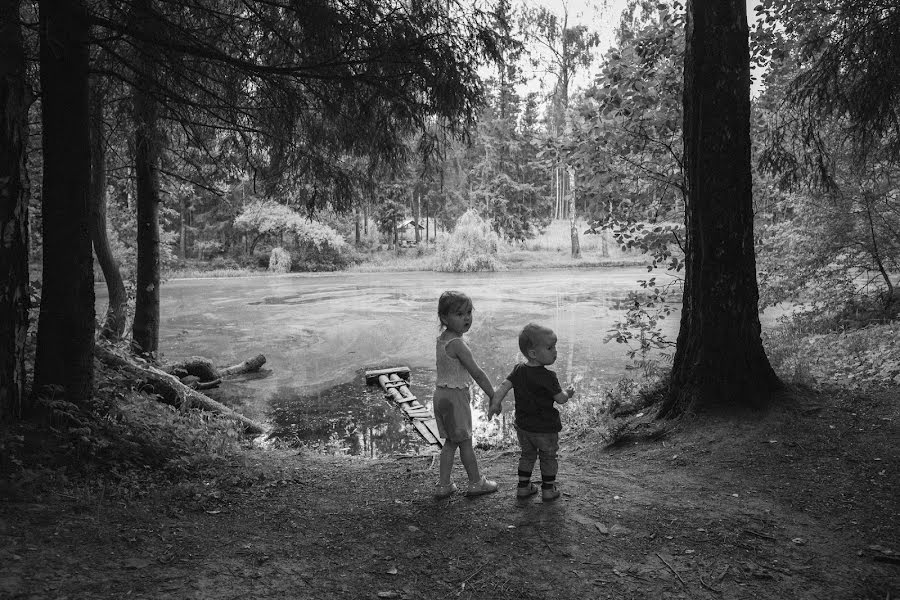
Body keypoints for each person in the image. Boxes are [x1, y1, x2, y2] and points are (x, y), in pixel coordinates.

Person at [488, 323, 575, 502]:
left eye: (555, 346)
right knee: (548, 457)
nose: (555, 351)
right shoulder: (548, 377)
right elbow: (560, 399)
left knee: (527, 455)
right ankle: (549, 490)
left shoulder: (518, 370)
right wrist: (569, 393)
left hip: (524, 427)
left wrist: (495, 403)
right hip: (545, 429)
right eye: (550, 348)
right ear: (533, 353)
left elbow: (504, 386)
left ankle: (523, 487)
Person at [432, 290, 499, 500]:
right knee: (466, 442)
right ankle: (476, 482)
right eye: (459, 314)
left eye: (469, 312)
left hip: (440, 395)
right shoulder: (458, 344)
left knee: (451, 443)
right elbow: (477, 372)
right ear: (444, 318)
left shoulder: (442, 339)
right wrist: (493, 395)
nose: (467, 318)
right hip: (455, 399)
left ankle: (444, 485)